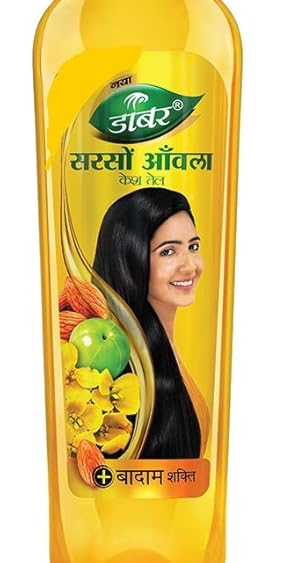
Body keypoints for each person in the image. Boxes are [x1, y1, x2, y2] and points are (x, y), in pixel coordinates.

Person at [93, 187, 210, 459]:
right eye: (168, 252)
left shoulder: (167, 352)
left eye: (193, 247)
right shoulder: (121, 373)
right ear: (129, 260)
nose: (190, 266)